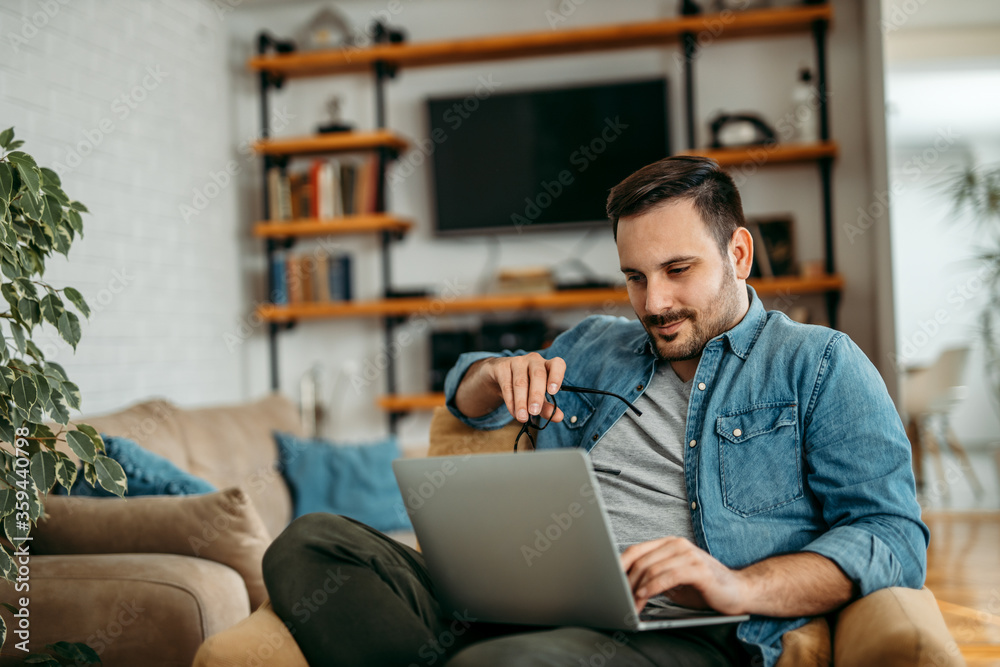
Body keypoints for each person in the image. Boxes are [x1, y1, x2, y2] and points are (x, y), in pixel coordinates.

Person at [262, 156, 929, 667]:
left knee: (511, 664)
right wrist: (494, 375)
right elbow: (470, 399)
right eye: (635, 276)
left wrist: (738, 585)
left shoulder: (818, 364)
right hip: (522, 600)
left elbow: (892, 535)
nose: (654, 301)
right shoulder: (594, 344)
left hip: (674, 633)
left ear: (739, 254)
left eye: (677, 269)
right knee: (310, 542)